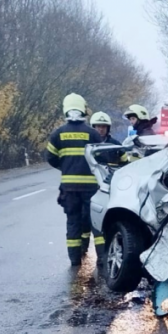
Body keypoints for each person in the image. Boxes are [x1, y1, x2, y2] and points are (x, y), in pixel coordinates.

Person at [45, 93, 104, 267]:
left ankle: (75, 260)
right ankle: (101, 259)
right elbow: (101, 156)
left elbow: (51, 157)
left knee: (73, 221)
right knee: (96, 224)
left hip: (69, 188)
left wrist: (66, 167)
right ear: (83, 109)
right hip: (91, 188)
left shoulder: (58, 134)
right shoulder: (92, 133)